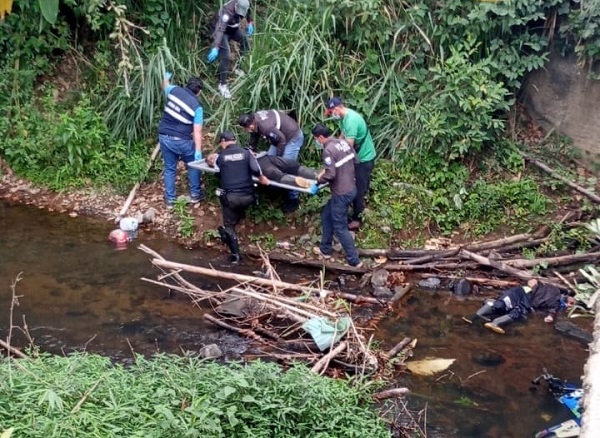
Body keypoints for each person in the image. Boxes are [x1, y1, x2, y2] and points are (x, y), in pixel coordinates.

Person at [206, 131, 267, 263]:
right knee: (237, 208)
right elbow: (256, 169)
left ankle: (235, 256)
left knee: (228, 226)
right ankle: (237, 220)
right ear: (234, 140)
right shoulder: (246, 153)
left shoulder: (220, 157)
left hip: (232, 198)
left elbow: (215, 169)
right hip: (249, 196)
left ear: (223, 142)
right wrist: (262, 178)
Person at [311, 123, 362, 268]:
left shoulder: (328, 150)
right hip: (351, 188)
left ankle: (354, 260)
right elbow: (356, 161)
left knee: (340, 228)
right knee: (327, 215)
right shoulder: (343, 143)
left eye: (316, 139)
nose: (317, 142)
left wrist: (318, 181)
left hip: (341, 193)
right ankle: (325, 249)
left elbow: (331, 174)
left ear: (321, 137)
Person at [325, 97, 376, 230]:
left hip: (364, 158)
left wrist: (334, 157)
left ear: (337, 108)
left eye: (331, 112)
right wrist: (334, 145)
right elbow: (342, 136)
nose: (332, 115)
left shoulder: (351, 121)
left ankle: (357, 219)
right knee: (358, 184)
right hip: (360, 156)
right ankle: (361, 202)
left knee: (358, 188)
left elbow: (348, 147)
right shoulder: (344, 118)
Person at [239, 110, 305, 213]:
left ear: (253, 121)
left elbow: (282, 140)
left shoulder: (266, 127)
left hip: (292, 137)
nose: (249, 128)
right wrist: (251, 149)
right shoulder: (255, 121)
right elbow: (254, 134)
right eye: (247, 128)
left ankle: (293, 198)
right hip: (279, 137)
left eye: (250, 126)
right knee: (267, 160)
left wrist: (278, 160)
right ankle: (275, 188)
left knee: (285, 167)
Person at [157, 73, 204, 209]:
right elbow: (197, 131)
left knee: (170, 168)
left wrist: (166, 77)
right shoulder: (197, 107)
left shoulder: (174, 90)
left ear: (187, 85)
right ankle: (195, 194)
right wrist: (198, 151)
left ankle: (170, 200)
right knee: (193, 165)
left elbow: (164, 85)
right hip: (182, 140)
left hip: (164, 136)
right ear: (199, 92)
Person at [463, 279, 572, 334]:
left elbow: (535, 282)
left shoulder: (554, 290)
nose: (570, 305)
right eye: (571, 303)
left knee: (501, 303)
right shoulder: (557, 300)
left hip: (521, 291)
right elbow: (552, 312)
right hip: (526, 297)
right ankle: (495, 323)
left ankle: (472, 317)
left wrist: (532, 282)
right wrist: (550, 317)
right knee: (517, 311)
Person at [207, 0, 253, 99]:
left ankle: (238, 68)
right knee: (226, 56)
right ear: (235, 5)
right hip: (221, 31)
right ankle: (222, 84)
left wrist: (250, 22)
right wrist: (216, 46)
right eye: (238, 11)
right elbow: (220, 29)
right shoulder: (226, 12)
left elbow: (248, 11)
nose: (240, 15)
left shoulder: (245, 4)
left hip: (233, 29)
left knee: (245, 42)